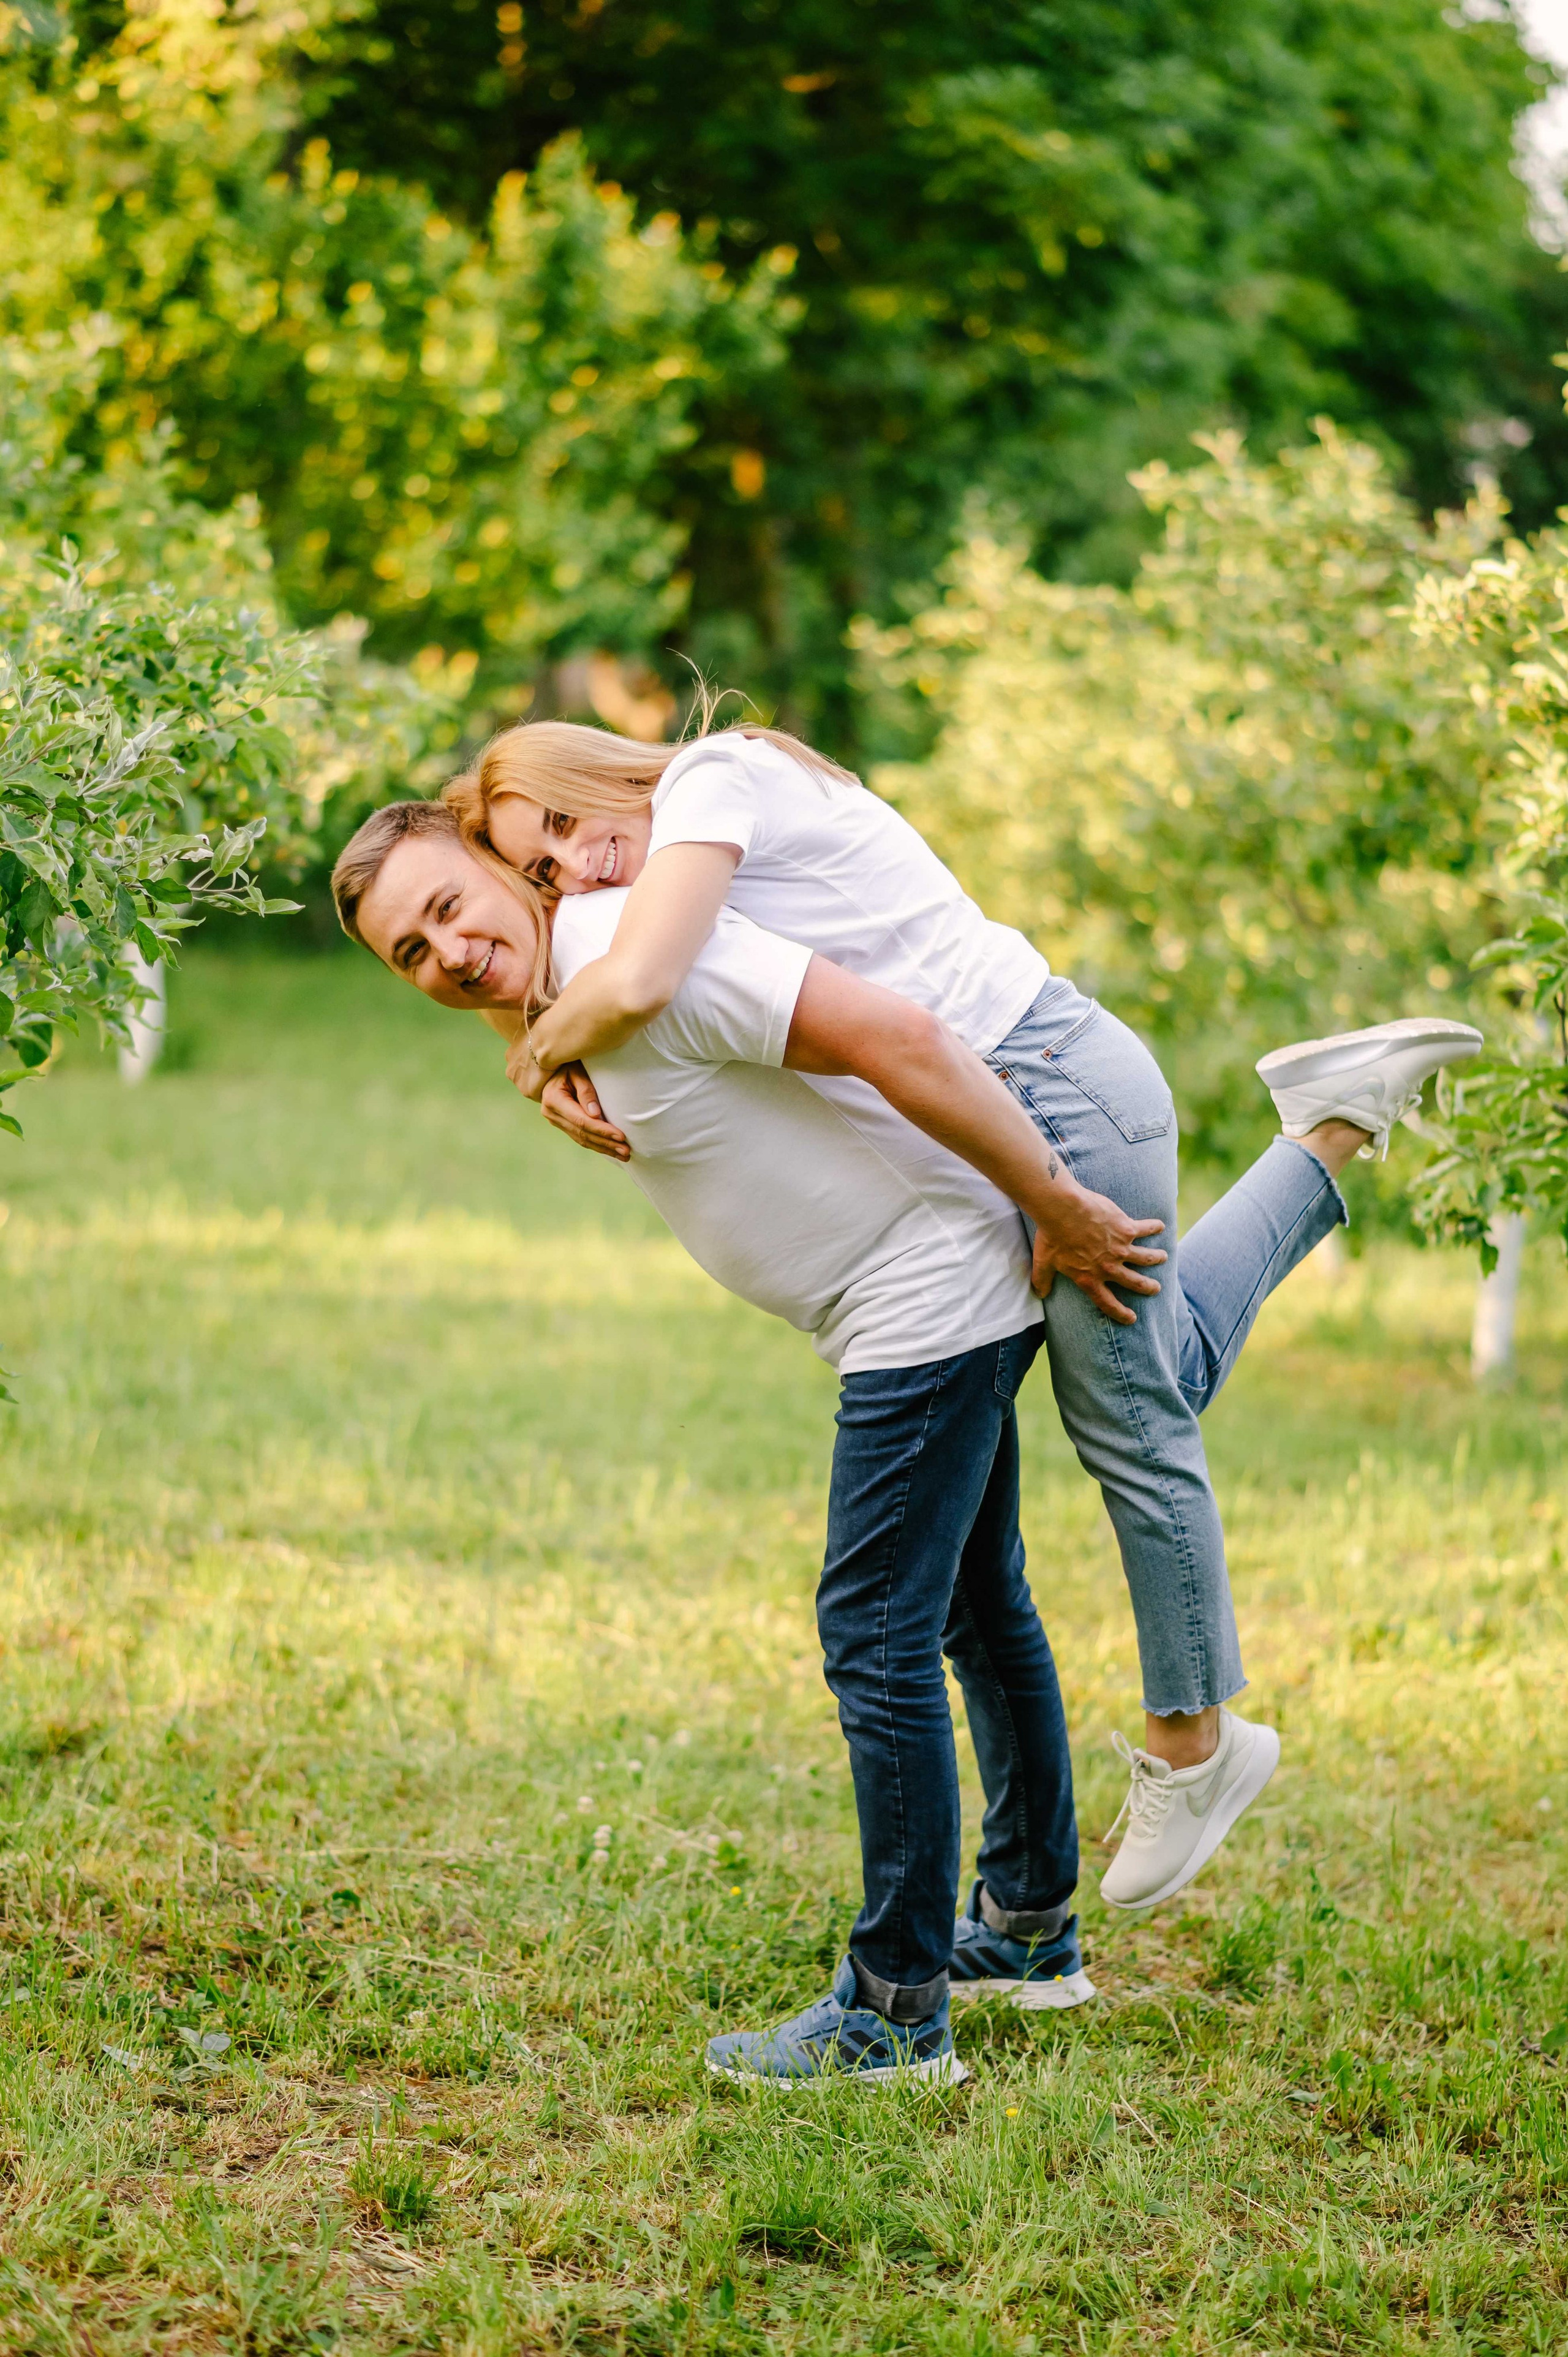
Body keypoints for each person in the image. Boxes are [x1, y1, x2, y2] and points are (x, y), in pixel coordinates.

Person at [443, 719, 1483, 1907]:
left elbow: (638, 978)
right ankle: (1324, 1125)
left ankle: (1193, 1741)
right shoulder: (690, 811)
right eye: (538, 870)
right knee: (1159, 1369)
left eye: (567, 828)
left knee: (1135, 1417)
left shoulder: (707, 783)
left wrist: (533, 1063)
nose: (573, 871)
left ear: (595, 774)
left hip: (1040, 1081)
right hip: (1013, 1091)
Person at [334, 798, 1103, 2086]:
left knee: (875, 1629)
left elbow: (889, 1034)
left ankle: (896, 2009)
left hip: (922, 1294)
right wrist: (529, 1058)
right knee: (972, 1598)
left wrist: (1053, 1198)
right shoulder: (571, 990)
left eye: (449, 908)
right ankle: (1026, 1931)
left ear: (494, 862)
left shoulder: (630, 944)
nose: (448, 954)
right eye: (411, 952)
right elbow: (530, 1004)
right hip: (911, 1293)